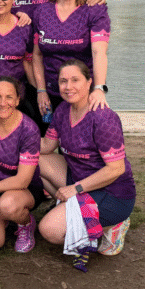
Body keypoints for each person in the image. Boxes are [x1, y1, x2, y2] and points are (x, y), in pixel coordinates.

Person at [37, 59, 136, 269]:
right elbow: (46, 146)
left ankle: (113, 224)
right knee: (35, 161)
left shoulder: (103, 118)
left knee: (49, 230)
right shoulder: (63, 109)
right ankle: (72, 211)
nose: (68, 86)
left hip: (111, 192)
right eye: (63, 81)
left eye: (75, 80)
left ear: (89, 82)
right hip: (80, 179)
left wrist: (76, 188)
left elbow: (117, 168)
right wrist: (15, 140)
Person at [31, 0, 112, 134]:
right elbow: (36, 55)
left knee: (81, 142)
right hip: (51, 93)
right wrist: (41, 91)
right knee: (48, 141)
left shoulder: (95, 10)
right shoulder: (41, 12)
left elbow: (99, 52)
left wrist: (99, 89)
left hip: (82, 94)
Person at [0, 76, 46, 255]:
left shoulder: (29, 130)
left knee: (7, 205)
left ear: (18, 100)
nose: (3, 103)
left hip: (22, 190)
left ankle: (25, 223)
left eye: (9, 97)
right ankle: (4, 218)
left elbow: (22, 181)